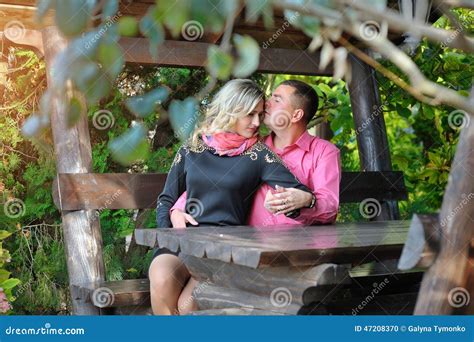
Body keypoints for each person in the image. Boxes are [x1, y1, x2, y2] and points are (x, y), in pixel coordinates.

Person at [149, 79, 313, 315]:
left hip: (222, 249)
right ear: (231, 109)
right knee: (161, 276)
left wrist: (302, 199)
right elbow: (166, 200)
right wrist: (170, 232)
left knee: (188, 305)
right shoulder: (193, 147)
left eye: (259, 114)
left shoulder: (258, 155)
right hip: (181, 241)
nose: (257, 122)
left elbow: (300, 192)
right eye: (249, 114)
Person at [172, 80, 341, 229]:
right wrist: (179, 207)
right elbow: (214, 180)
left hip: (302, 242)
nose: (267, 103)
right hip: (251, 243)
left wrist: (307, 201)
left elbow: (330, 209)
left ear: (296, 115)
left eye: (277, 99)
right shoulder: (249, 148)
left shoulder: (324, 152)